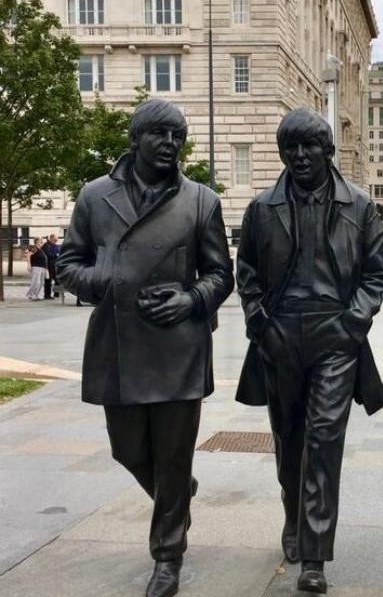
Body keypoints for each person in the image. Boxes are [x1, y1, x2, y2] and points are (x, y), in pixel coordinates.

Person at [57, 98, 234, 597]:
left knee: (174, 455)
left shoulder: (201, 200)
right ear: (135, 139)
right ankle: (177, 496)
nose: (170, 144)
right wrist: (107, 279)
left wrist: (190, 299)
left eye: (178, 136)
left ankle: (167, 556)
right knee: (127, 449)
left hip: (178, 345)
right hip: (118, 343)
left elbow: (222, 274)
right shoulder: (95, 196)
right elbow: (70, 262)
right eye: (160, 134)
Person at [235, 108, 383, 594]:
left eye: (309, 146)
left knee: (324, 440)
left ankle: (315, 554)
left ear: (327, 150)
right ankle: (293, 514)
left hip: (335, 336)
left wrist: (353, 322)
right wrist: (261, 324)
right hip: (280, 335)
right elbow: (248, 273)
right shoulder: (262, 208)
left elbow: (375, 275)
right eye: (291, 147)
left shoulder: (360, 207)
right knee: (289, 439)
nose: (299, 156)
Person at [41, 234, 60, 299]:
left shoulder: (54, 245)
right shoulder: (47, 245)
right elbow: (48, 255)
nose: (56, 241)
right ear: (51, 239)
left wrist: (57, 255)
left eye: (56, 240)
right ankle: (47, 295)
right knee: (48, 281)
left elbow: (58, 253)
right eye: (55, 240)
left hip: (54, 266)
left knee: (58, 280)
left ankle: (56, 293)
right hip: (48, 266)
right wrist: (56, 255)